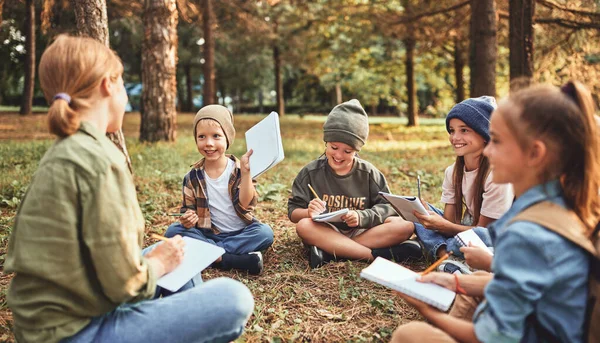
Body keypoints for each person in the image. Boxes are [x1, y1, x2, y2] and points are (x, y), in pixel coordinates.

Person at [4, 35, 254, 343]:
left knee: (181, 249)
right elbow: (123, 284)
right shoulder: (99, 160)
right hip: (79, 331)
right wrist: (159, 264)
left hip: (62, 314)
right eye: (123, 83)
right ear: (108, 85)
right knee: (233, 298)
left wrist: (161, 259)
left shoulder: (67, 150)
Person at [391, 80, 600, 343]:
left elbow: (491, 338)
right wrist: (457, 283)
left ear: (535, 153)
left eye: (497, 141)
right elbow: (530, 288)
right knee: (476, 279)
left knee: (410, 334)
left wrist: (426, 311)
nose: (488, 149)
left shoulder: (527, 235)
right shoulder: (571, 205)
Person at [288, 99, 422, 269]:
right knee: (304, 226)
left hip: (363, 231)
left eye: (348, 151)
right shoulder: (310, 173)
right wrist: (309, 211)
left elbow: (388, 207)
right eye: (334, 147)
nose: (338, 155)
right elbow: (293, 212)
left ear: (357, 150)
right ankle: (373, 256)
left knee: (405, 226)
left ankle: (331, 252)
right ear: (326, 142)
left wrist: (361, 217)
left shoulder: (368, 173)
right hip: (326, 231)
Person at [387, 96, 513, 274]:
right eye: (452, 130)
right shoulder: (453, 172)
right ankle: (447, 254)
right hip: (467, 227)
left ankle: (443, 252)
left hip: (498, 233)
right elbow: (449, 221)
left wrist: (441, 226)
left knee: (473, 237)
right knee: (420, 217)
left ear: (484, 134)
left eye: (464, 130)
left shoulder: (497, 174)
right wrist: (429, 217)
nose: (455, 137)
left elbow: (483, 230)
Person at [164, 105, 274, 275]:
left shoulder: (239, 169)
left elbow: (246, 205)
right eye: (202, 137)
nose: (209, 143)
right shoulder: (192, 177)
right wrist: (187, 219)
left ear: (227, 138)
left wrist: (246, 175)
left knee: (265, 233)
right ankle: (232, 259)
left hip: (240, 233)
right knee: (173, 231)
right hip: (208, 234)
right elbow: (187, 212)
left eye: (216, 136)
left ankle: (210, 255)